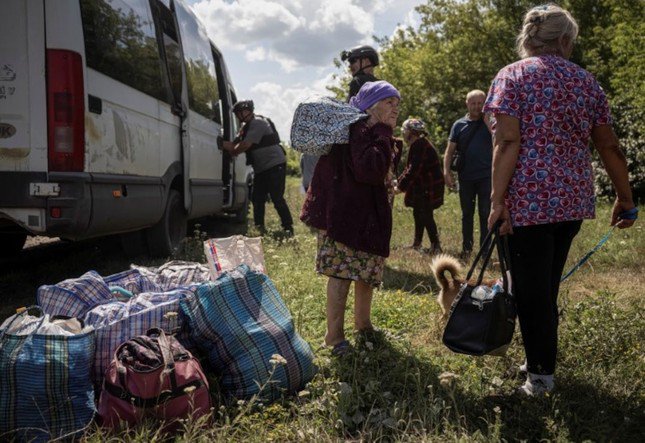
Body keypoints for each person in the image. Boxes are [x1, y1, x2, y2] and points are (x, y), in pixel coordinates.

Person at [484, 4, 637, 396]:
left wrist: (497, 200)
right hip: (571, 202)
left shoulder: (512, 76)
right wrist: (624, 197)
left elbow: (507, 141)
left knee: (533, 290)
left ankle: (540, 378)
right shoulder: (586, 82)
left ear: (529, 38)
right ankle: (537, 356)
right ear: (565, 40)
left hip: (528, 203)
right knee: (543, 286)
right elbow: (609, 147)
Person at [300, 81, 401, 355]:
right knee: (342, 273)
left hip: (365, 216)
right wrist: (383, 132)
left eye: (397, 103)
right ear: (371, 105)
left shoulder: (371, 130)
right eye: (389, 102)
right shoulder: (359, 129)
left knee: (366, 272)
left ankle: (363, 325)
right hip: (344, 216)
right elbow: (368, 169)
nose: (396, 108)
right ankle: (333, 337)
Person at [223, 100, 293, 234]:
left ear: (246, 111)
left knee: (277, 197)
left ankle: (288, 227)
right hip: (261, 168)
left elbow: (244, 146)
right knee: (257, 198)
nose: (237, 116)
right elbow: (233, 145)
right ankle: (259, 227)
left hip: (274, 165)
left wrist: (232, 153)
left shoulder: (258, 123)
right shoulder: (245, 128)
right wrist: (220, 142)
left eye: (238, 113)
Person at [444, 90, 493, 257]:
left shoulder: (490, 122)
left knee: (486, 213)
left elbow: (499, 140)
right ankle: (466, 249)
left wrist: (487, 121)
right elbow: (449, 152)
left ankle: (485, 252)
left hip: (487, 177)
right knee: (467, 214)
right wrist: (446, 172)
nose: (477, 106)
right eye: (473, 103)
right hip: (466, 177)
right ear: (467, 104)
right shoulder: (459, 125)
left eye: (480, 103)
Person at [395, 118, 445, 253]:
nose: (403, 133)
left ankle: (436, 246)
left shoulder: (420, 145)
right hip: (423, 187)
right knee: (418, 213)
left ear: (411, 132)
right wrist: (398, 182)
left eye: (404, 130)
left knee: (426, 215)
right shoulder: (418, 144)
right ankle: (417, 244)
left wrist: (400, 188)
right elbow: (409, 168)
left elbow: (413, 170)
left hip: (429, 188)